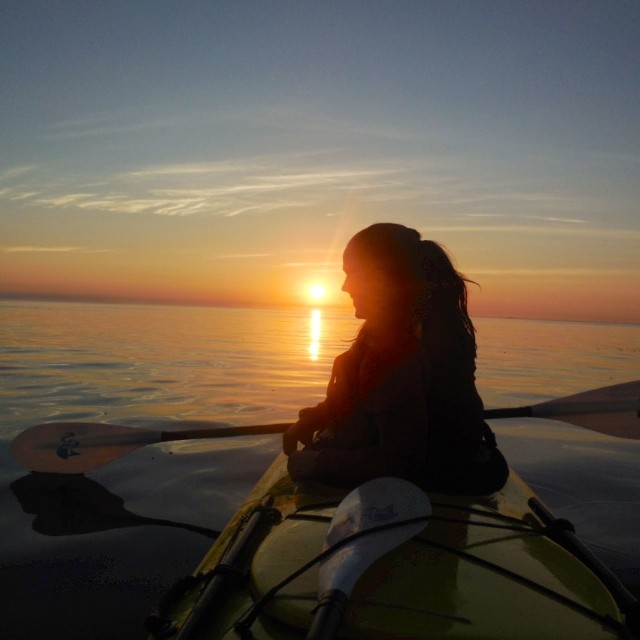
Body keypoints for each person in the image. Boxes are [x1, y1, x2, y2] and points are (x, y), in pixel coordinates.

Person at [282, 222, 509, 495]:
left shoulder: (395, 352)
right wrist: (314, 418)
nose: (344, 286)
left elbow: (401, 462)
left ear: (385, 277)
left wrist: (314, 463)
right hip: (457, 469)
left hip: (420, 485)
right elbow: (357, 397)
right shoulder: (426, 328)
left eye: (352, 274)